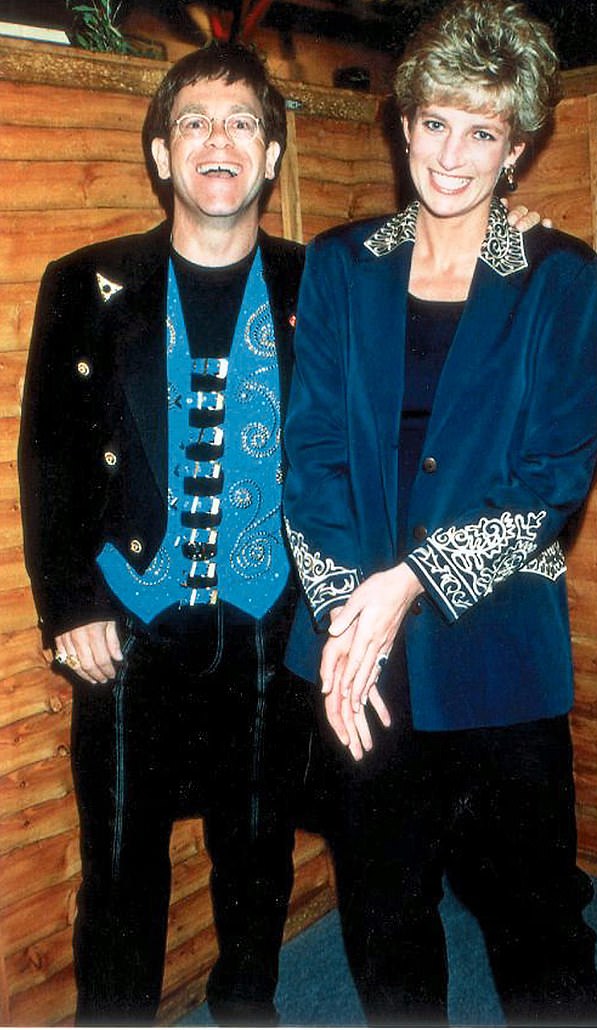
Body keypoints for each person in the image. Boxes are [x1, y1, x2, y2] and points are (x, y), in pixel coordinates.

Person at [283, 1, 597, 1025]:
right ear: (403, 123)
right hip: (358, 659)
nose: (453, 152)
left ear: (515, 149)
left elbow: (554, 473)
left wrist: (407, 585)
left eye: (483, 131)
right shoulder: (339, 264)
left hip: (499, 649)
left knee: (538, 917)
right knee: (384, 913)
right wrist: (350, 620)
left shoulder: (562, 278)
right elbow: (313, 454)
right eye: (436, 122)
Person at [18, 41, 315, 1027]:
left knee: (258, 866)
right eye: (193, 122)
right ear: (159, 154)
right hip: (130, 632)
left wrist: (507, 232)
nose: (218, 141)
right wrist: (70, 603)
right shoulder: (86, 283)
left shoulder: (327, 285)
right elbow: (50, 458)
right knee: (119, 879)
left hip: (270, 633)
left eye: (242, 123)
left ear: (270, 156)